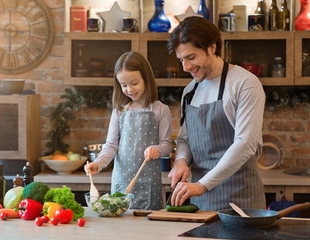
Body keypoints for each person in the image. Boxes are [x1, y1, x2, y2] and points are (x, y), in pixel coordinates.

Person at [167, 16, 266, 211]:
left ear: (212, 47)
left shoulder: (244, 84)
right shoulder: (190, 92)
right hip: (200, 202)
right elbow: (184, 139)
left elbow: (245, 144)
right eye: (181, 60)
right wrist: (180, 161)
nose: (186, 67)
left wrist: (202, 185)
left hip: (240, 201)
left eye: (191, 57)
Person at [85, 51, 172, 210]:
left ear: (146, 78)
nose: (129, 89)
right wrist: (98, 164)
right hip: (121, 181)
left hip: (149, 183)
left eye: (134, 83)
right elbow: (111, 146)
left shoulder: (161, 110)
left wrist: (156, 149)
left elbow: (166, 145)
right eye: (124, 85)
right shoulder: (119, 111)